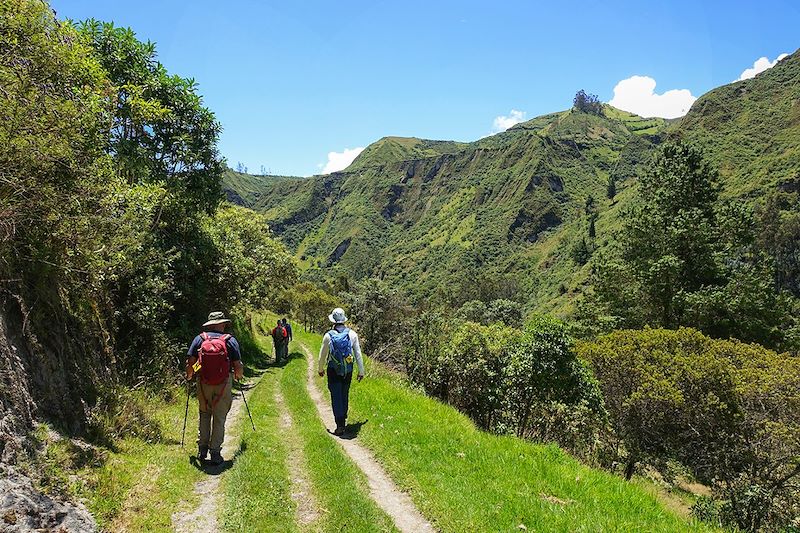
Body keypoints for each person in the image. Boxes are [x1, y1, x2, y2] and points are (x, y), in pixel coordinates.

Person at [186, 311, 244, 465]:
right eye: (224, 323)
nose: (225, 325)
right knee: (219, 417)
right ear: (221, 324)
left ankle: (202, 449)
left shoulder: (199, 339)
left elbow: (191, 361)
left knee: (204, 414)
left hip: (203, 383)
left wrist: (190, 376)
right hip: (223, 384)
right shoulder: (230, 340)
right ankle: (215, 452)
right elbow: (237, 366)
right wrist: (238, 377)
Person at [318, 307, 364, 436]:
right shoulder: (352, 334)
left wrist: (320, 369)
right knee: (344, 394)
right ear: (344, 320)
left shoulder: (328, 336)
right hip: (348, 370)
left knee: (335, 395)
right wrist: (361, 371)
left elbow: (322, 355)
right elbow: (358, 354)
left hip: (333, 370)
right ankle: (343, 419)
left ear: (333, 321)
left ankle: (339, 425)